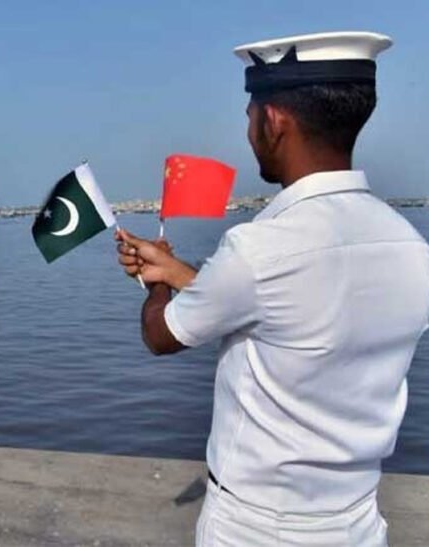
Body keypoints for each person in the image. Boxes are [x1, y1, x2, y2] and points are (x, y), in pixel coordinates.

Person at [116, 32, 429, 546]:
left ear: (274, 121)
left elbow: (162, 335)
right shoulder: (410, 247)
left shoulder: (258, 250)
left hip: (257, 529)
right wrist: (176, 271)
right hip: (358, 525)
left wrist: (154, 284)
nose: (248, 131)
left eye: (250, 117)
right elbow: (297, 312)